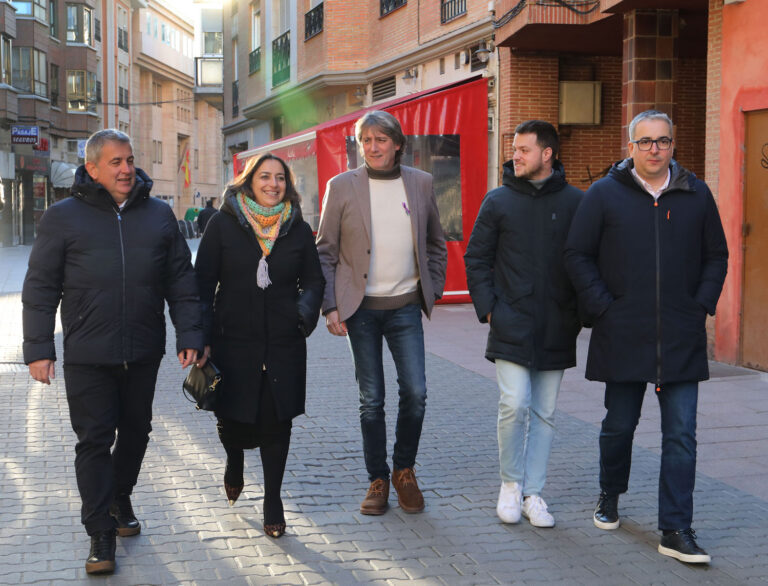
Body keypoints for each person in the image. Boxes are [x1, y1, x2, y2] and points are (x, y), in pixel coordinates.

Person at [22, 129, 203, 575]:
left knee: (138, 431)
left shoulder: (160, 216)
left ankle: (121, 496)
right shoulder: (62, 217)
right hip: (87, 352)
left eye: (129, 160)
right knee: (94, 440)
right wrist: (39, 349)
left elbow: (181, 281)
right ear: (92, 168)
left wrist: (190, 335)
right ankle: (100, 530)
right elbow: (41, 287)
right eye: (116, 162)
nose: (126, 169)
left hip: (142, 349)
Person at [564, 110, 728, 564]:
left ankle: (675, 529)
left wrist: (700, 305)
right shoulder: (603, 195)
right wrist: (602, 307)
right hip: (623, 332)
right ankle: (610, 493)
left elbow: (716, 254)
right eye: (645, 142)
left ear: (674, 145)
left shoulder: (696, 194)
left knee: (681, 435)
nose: (654, 149)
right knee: (619, 426)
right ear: (630, 146)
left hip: (680, 334)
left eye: (663, 141)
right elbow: (577, 255)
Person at [316, 110, 448, 516]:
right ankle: (377, 477)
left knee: (416, 393)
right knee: (371, 399)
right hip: (361, 311)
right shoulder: (341, 186)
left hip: (405, 306)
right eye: (365, 140)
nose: (372, 147)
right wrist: (331, 306)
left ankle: (403, 470)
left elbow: (436, 244)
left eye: (380, 139)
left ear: (396, 144)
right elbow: (325, 251)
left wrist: (433, 287)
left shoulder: (421, 183)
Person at [194, 153, 324, 538]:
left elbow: (314, 281)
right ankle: (234, 462)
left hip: (283, 342)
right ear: (249, 181)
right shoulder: (223, 225)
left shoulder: (297, 228)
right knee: (232, 418)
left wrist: (302, 316)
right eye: (265, 177)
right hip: (232, 341)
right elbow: (201, 286)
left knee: (276, 420)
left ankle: (272, 498)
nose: (273, 184)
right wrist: (199, 337)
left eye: (280, 178)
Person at [464, 120, 582, 528]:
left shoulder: (574, 202)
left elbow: (584, 261)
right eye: (514, 148)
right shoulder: (497, 201)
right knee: (514, 405)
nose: (515, 154)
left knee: (546, 412)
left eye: (524, 149)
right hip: (510, 321)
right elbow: (476, 258)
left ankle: (534, 493)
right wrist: (491, 309)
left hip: (557, 324)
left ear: (547, 154)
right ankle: (510, 485)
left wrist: (578, 312)